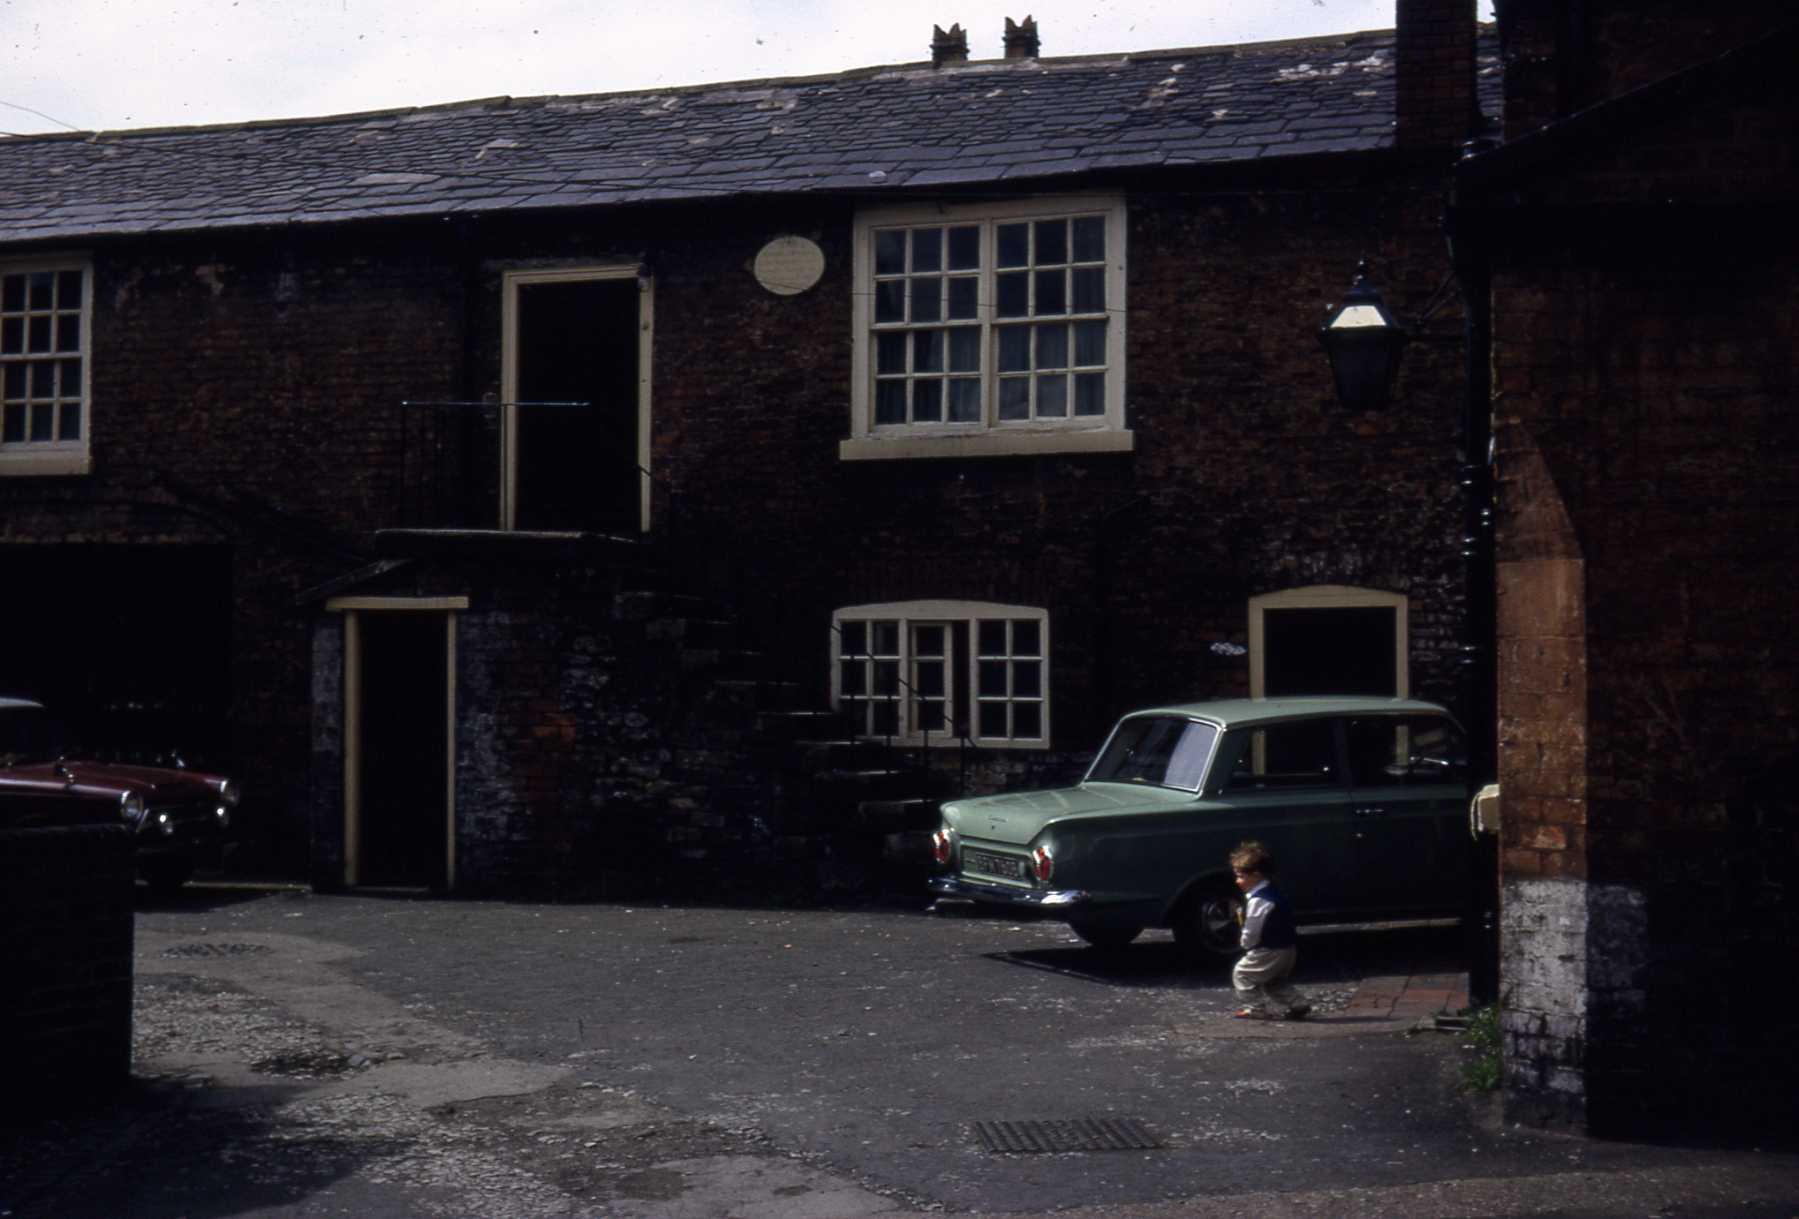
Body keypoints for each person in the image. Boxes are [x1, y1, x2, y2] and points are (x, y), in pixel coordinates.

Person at [1229, 840, 1311, 1020]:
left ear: (1256, 875)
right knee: (1273, 981)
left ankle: (1255, 1008)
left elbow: (1253, 929)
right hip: (1287, 949)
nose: (1237, 881)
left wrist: (1245, 943)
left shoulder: (1259, 900)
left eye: (1241, 876)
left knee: (1242, 974)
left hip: (1269, 950)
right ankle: (1297, 1003)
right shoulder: (1274, 891)